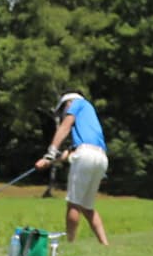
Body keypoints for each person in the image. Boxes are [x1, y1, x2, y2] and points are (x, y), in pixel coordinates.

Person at [34, 91, 110, 245]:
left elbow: (65, 127)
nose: (63, 114)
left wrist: (50, 153)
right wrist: (48, 162)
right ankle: (105, 245)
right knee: (87, 207)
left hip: (85, 155)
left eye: (62, 110)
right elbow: (69, 153)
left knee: (73, 204)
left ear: (68, 102)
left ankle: (70, 245)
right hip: (101, 158)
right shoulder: (88, 116)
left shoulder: (77, 103)